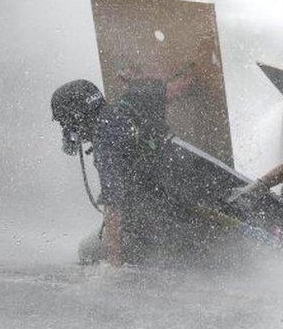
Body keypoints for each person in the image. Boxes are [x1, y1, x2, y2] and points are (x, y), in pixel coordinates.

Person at [51, 79, 226, 266]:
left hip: (172, 214)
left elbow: (113, 207)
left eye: (65, 123)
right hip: (197, 179)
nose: (66, 131)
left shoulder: (105, 143)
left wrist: (114, 267)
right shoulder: (130, 101)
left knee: (87, 251)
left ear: (77, 118)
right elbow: (176, 89)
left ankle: (185, 255)